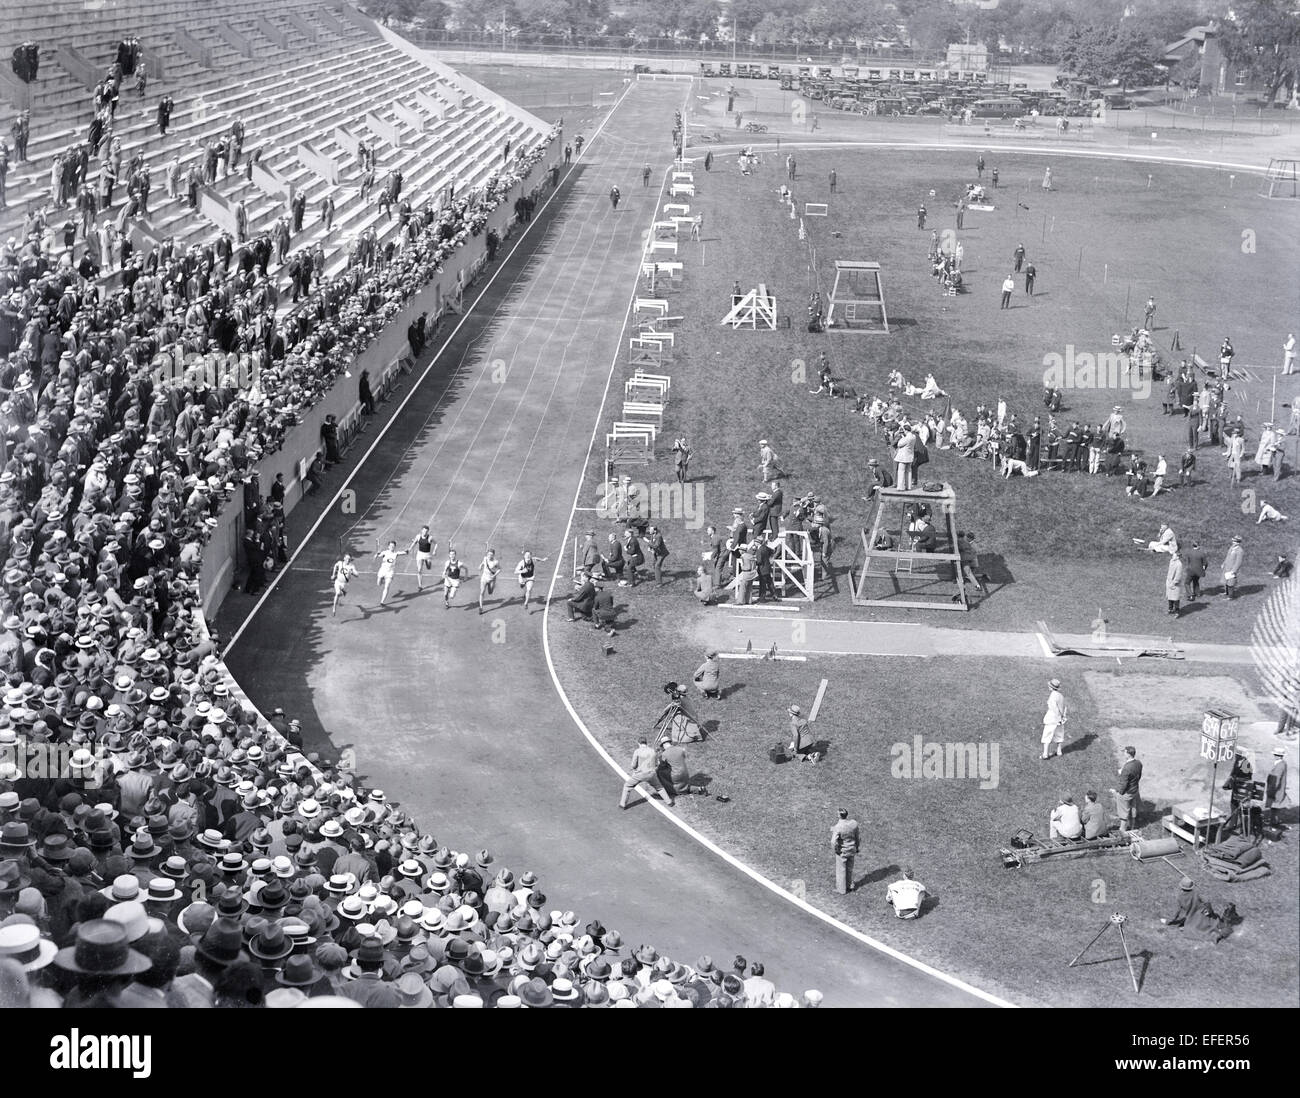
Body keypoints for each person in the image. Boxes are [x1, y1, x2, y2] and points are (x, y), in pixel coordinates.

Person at [619, 737, 671, 810]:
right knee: (659, 787)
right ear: (646, 743)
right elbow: (657, 763)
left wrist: (635, 769)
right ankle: (669, 802)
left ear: (639, 743)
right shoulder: (653, 751)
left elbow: (633, 765)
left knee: (627, 786)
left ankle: (622, 805)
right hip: (651, 774)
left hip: (640, 774)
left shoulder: (637, 751)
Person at [1110, 746, 1142, 829]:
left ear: (1128, 754)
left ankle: (1122, 829)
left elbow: (1123, 784)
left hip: (1127, 793)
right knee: (1133, 808)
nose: (1123, 754)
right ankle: (1132, 827)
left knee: (1123, 812)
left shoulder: (1127, 768)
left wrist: (1118, 792)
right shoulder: (1138, 763)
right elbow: (1138, 776)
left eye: (1124, 752)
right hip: (1135, 790)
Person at [831, 809, 859, 894]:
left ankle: (841, 890)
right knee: (849, 869)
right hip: (852, 849)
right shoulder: (854, 823)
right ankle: (849, 885)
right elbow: (857, 837)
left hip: (842, 851)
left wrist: (836, 850)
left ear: (839, 816)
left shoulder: (838, 827)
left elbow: (833, 841)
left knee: (841, 870)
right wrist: (857, 847)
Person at [374, 540, 407, 606]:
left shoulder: (396, 553)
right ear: (388, 546)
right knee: (378, 584)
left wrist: (407, 551)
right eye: (391, 546)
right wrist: (376, 555)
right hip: (382, 571)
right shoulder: (385, 552)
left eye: (393, 546)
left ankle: (382, 602)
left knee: (387, 587)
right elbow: (378, 555)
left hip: (390, 572)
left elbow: (404, 552)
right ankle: (382, 580)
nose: (392, 547)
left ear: (395, 547)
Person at [1040, 678, 1067, 759]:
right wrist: (1062, 717)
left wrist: (1058, 717)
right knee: (1059, 735)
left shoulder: (1053, 696)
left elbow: (1054, 708)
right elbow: (1065, 707)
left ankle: (1045, 754)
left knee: (1047, 735)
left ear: (1051, 687)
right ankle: (1059, 752)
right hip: (1060, 719)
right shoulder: (1061, 696)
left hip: (1052, 718)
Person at [1265, 746, 1288, 830]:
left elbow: (1276, 780)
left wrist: (1271, 791)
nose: (1274, 756)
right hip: (1277, 790)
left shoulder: (1279, 766)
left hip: (1275, 790)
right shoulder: (1282, 763)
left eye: (1275, 754)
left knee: (1274, 807)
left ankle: (1273, 824)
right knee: (1275, 808)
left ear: (1279, 756)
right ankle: (1274, 822)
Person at [408, 526, 437, 590]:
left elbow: (436, 544)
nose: (425, 532)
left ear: (428, 531)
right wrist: (409, 549)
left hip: (427, 554)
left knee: (429, 568)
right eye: (424, 531)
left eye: (426, 531)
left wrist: (434, 550)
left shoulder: (430, 538)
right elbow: (414, 543)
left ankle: (427, 562)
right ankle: (420, 585)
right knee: (419, 570)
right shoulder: (418, 536)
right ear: (421, 530)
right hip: (420, 554)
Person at [477, 548, 502, 614]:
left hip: (492, 579)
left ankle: (491, 586)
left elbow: (499, 569)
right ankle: (481, 608)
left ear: (494, 555)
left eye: (491, 555)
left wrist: (494, 575)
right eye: (488, 554)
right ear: (487, 554)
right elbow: (483, 563)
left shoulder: (496, 562)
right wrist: (480, 566)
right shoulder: (485, 558)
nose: (489, 556)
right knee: (482, 592)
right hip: (484, 578)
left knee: (490, 592)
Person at [1221, 535, 1244, 599]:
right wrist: (1223, 563)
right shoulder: (1231, 547)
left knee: (1230, 584)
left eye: (1235, 541)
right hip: (1227, 567)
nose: (1233, 542)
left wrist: (1234, 570)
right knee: (1226, 581)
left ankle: (1230, 597)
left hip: (1231, 569)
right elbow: (1227, 556)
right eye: (1233, 541)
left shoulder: (1240, 550)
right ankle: (1226, 592)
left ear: (1238, 542)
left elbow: (1238, 562)